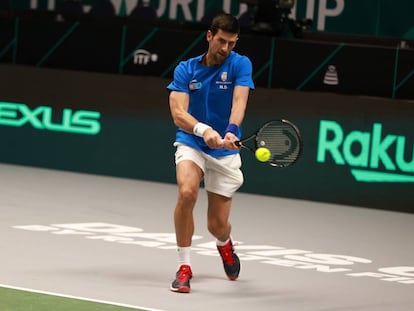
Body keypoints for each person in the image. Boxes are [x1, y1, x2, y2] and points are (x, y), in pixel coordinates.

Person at [166, 13, 255, 293]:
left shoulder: (240, 64)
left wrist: (230, 130)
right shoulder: (186, 69)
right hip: (193, 142)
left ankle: (224, 243)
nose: (225, 48)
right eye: (220, 41)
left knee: (217, 225)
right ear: (209, 36)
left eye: (231, 42)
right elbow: (178, 113)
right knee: (187, 192)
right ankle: (184, 266)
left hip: (224, 150)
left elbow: (239, 103)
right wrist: (204, 130)